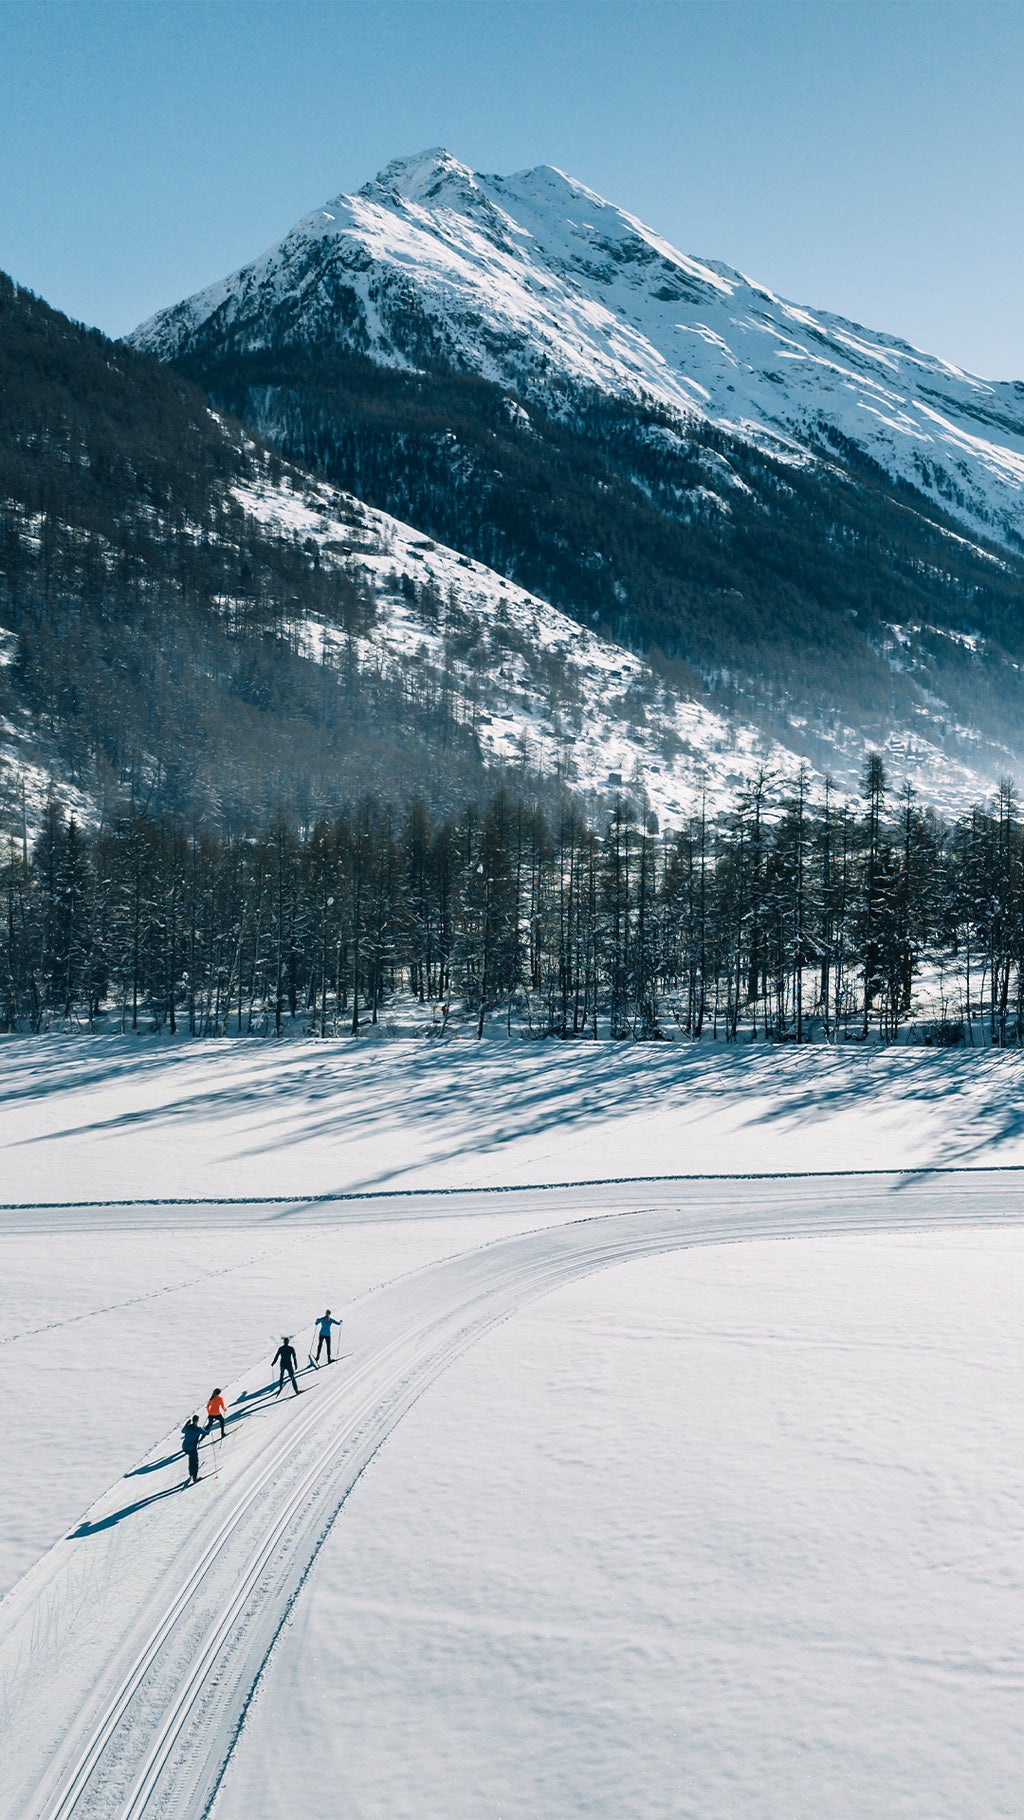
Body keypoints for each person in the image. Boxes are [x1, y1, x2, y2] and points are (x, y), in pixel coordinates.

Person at [182, 1413, 204, 1485]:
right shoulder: (198, 1429)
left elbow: (183, 1431)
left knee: (191, 1458)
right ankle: (195, 1478)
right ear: (197, 1421)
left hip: (185, 1447)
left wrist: (186, 1424)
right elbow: (207, 1432)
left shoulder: (188, 1427)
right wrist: (209, 1426)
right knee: (195, 1462)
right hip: (192, 1448)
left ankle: (191, 1472)